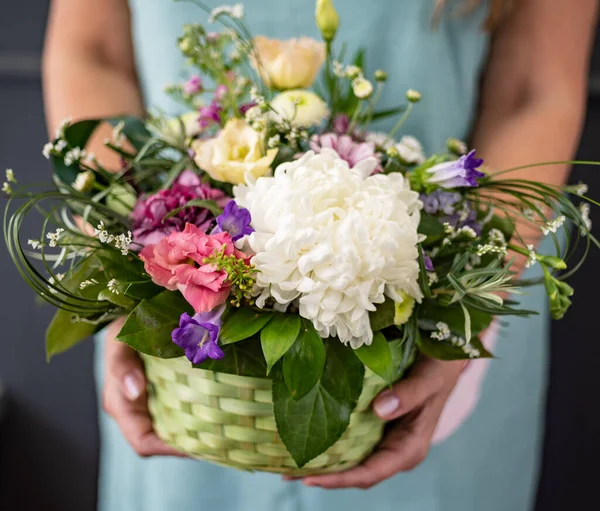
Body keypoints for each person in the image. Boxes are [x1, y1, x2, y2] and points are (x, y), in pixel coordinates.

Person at [42, 0, 597, 509]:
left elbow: (534, 90)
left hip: (428, 317)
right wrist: (123, 275)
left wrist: (471, 306)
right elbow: (95, 52)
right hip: (182, 325)